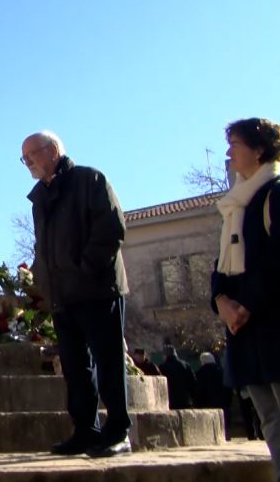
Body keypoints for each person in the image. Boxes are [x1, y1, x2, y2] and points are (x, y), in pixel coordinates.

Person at [22, 130, 131, 458]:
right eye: (23, 159)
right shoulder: (39, 197)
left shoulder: (89, 180)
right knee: (75, 365)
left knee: (108, 361)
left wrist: (84, 268)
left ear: (52, 150)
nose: (27, 163)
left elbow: (111, 228)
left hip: (96, 289)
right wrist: (42, 278)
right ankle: (85, 430)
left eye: (32, 155)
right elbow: (44, 245)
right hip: (62, 294)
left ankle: (117, 432)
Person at [209, 117, 280, 482]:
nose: (229, 152)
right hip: (245, 330)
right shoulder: (234, 205)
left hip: (275, 325)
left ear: (259, 149)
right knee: (271, 420)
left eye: (235, 143)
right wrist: (221, 301)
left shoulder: (278, 195)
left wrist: (247, 305)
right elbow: (220, 267)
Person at [158, 345, 196, 409]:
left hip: (171, 401)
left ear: (165, 355)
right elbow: (193, 383)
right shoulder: (186, 365)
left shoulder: (162, 367)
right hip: (186, 400)